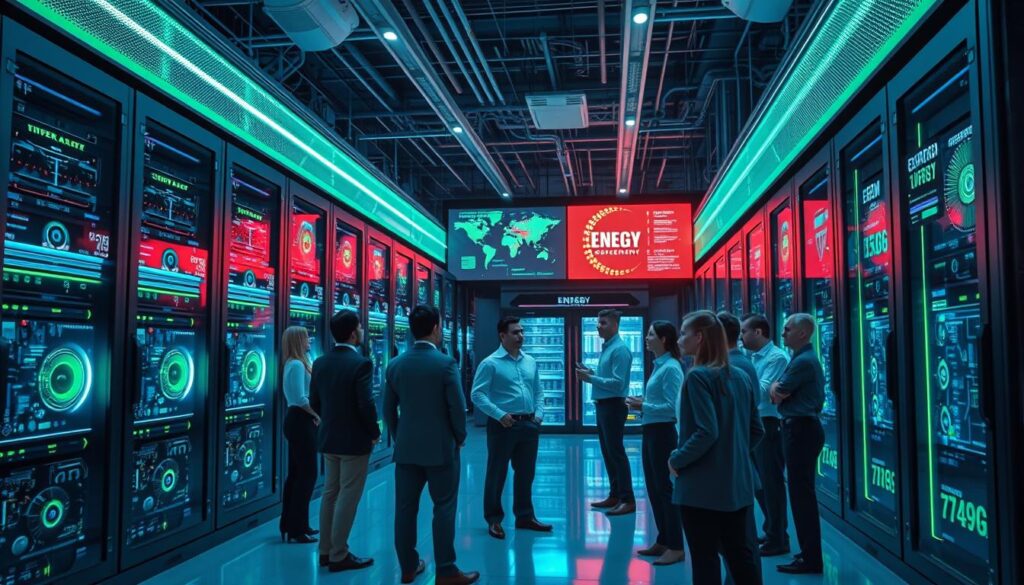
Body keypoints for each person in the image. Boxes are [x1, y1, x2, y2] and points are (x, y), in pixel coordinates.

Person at [383, 305, 479, 585]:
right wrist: (459, 437)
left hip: (407, 450)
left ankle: (408, 566)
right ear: (436, 328)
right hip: (441, 450)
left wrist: (401, 435)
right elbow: (457, 408)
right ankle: (447, 570)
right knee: (444, 508)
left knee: (404, 509)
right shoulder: (445, 364)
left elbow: (388, 410)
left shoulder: (395, 365)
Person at [670, 311, 764, 585]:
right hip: (737, 486)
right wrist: (732, 454)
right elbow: (757, 430)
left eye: (684, 332)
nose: (680, 338)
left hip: (701, 490)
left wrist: (677, 458)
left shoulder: (697, 377)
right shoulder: (741, 377)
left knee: (704, 560)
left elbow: (706, 432)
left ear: (699, 338)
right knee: (740, 558)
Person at [309, 310, 380, 572]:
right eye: (360, 328)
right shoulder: (361, 363)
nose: (362, 332)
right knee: (348, 495)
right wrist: (374, 432)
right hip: (354, 441)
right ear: (353, 333)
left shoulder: (320, 362)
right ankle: (340, 553)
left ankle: (325, 550)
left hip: (329, 437)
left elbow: (314, 401)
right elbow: (366, 403)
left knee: (330, 493)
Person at [471, 315, 553, 540]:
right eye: (516, 332)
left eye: (522, 331)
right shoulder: (490, 363)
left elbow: (538, 390)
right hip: (503, 426)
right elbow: (477, 394)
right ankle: (494, 519)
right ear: (502, 335)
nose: (521, 336)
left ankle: (525, 516)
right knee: (497, 473)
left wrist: (539, 415)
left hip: (529, 424)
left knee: (526, 473)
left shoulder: (530, 361)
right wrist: (499, 415)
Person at [771, 313, 826, 574]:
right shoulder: (800, 359)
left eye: (787, 329)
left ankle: (810, 558)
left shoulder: (803, 362)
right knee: (800, 494)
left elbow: (777, 394)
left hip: (801, 430)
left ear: (803, 333)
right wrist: (777, 389)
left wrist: (775, 388)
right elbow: (779, 391)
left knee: (801, 496)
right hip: (800, 429)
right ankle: (808, 554)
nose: (783, 334)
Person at [627, 321, 685, 566]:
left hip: (662, 433)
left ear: (663, 339)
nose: (646, 338)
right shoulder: (660, 365)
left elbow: (673, 409)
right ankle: (663, 539)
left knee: (664, 489)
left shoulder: (671, 368)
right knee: (654, 488)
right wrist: (645, 404)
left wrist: (643, 406)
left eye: (650, 335)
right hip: (651, 431)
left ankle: (676, 545)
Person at [717, 312, 764, 583]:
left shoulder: (735, 369)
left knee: (741, 540)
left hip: (733, 466)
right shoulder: (740, 365)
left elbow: (751, 425)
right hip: (737, 461)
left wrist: (734, 451)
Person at [740, 313, 791, 557]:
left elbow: (761, 391)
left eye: (744, 332)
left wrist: (736, 383)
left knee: (771, 483)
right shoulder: (752, 358)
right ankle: (771, 530)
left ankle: (779, 538)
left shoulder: (776, 357)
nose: (741, 337)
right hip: (756, 423)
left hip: (769, 424)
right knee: (760, 484)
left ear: (758, 332)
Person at [576, 309, 635, 516]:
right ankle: (615, 494)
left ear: (615, 325)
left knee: (616, 452)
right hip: (604, 405)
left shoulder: (620, 350)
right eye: (597, 323)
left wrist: (591, 379)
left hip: (613, 406)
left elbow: (618, 385)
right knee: (609, 452)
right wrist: (593, 373)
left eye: (603, 323)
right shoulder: (609, 348)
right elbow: (609, 377)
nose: (598, 326)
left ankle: (627, 499)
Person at [279, 326, 320, 544]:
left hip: (300, 420)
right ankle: (296, 529)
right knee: (307, 475)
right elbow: (300, 398)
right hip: (299, 420)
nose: (309, 340)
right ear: (297, 340)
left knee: (296, 475)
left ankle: (294, 525)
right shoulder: (295, 365)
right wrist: (318, 415)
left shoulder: (298, 363)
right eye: (306, 337)